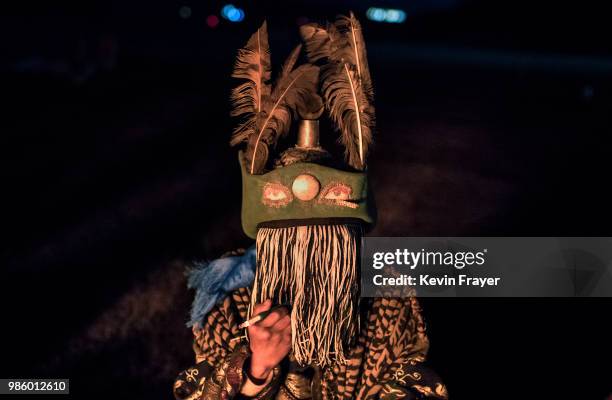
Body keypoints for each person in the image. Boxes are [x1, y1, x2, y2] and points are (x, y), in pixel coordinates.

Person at [174, 14, 447, 400]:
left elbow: (415, 383)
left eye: (327, 245)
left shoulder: (387, 290)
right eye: (292, 244)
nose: (310, 260)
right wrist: (255, 369)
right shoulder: (229, 289)